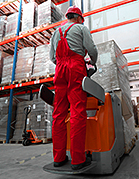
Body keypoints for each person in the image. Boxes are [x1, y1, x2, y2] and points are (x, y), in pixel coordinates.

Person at [49, 6, 98, 170]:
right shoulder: (81, 28)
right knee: (77, 111)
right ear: (78, 18)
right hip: (76, 67)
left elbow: (52, 57)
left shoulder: (56, 33)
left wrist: (62, 64)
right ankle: (78, 159)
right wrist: (92, 62)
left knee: (58, 113)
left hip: (60, 70)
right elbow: (92, 50)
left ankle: (58, 158)